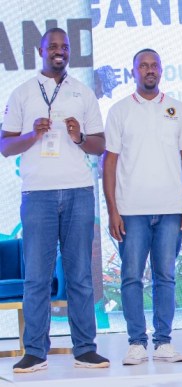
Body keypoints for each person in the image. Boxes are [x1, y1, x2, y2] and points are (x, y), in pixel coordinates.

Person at [0, 27, 109, 373]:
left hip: (79, 191)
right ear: (42, 51)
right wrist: (33, 134)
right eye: (53, 47)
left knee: (79, 275)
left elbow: (100, 145)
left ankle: (85, 349)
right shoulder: (22, 94)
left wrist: (79, 137)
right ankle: (35, 352)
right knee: (36, 276)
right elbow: (5, 146)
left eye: (65, 46)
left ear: (70, 52)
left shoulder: (82, 93)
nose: (60, 51)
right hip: (38, 195)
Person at [103, 49, 182, 365]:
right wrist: (113, 210)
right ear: (132, 72)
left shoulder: (176, 109)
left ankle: (163, 342)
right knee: (131, 276)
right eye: (142, 66)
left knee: (166, 277)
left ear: (161, 70)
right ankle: (136, 343)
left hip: (171, 208)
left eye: (154, 65)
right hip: (131, 210)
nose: (149, 70)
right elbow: (110, 163)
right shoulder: (119, 111)